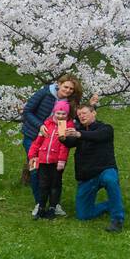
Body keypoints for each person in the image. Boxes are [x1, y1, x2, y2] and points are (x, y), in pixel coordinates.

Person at [21, 75, 87, 216]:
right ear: (59, 84)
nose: (68, 90)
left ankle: (54, 204)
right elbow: (27, 111)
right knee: (35, 170)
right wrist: (40, 126)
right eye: (66, 87)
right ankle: (39, 204)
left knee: (56, 173)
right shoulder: (45, 93)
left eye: (71, 89)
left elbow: (78, 118)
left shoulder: (71, 102)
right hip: (33, 137)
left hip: (56, 142)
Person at [60, 104, 125, 232]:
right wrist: (63, 138)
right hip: (87, 176)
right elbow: (70, 142)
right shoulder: (79, 132)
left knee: (111, 180)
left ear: (93, 113)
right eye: (79, 115)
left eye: (84, 113)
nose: (81, 116)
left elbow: (97, 136)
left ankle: (117, 219)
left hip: (105, 169)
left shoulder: (106, 128)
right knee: (83, 215)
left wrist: (79, 134)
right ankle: (109, 204)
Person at [27, 99, 72, 220]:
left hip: (56, 161)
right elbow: (37, 142)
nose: (60, 116)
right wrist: (32, 155)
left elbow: (64, 145)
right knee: (43, 184)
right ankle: (41, 207)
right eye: (58, 113)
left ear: (67, 115)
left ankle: (52, 207)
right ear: (54, 113)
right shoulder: (47, 124)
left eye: (64, 114)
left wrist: (62, 160)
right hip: (43, 159)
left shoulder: (66, 126)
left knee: (55, 185)